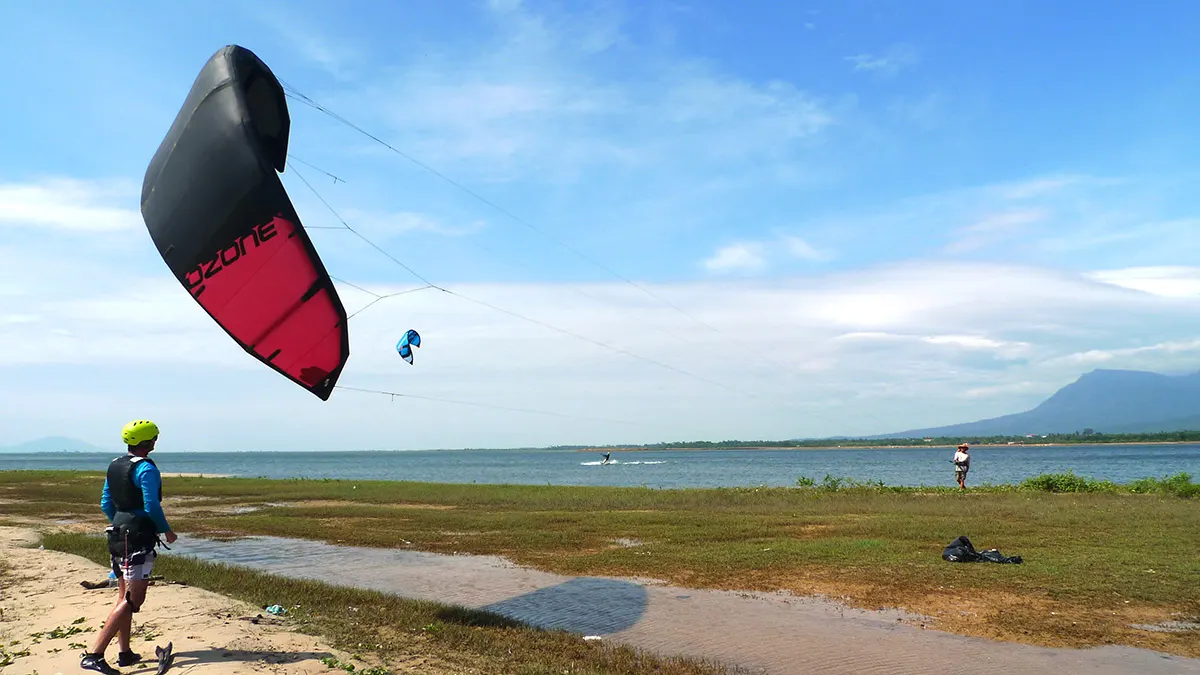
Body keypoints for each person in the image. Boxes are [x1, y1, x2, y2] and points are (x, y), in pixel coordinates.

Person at [80, 420, 178, 675]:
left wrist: (120, 522)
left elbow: (106, 503)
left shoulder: (116, 465)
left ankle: (125, 653)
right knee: (134, 599)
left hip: (117, 534)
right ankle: (95, 654)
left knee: (124, 596)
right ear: (150, 442)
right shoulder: (146, 469)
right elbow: (152, 506)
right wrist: (165, 529)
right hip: (136, 537)